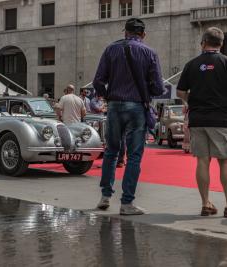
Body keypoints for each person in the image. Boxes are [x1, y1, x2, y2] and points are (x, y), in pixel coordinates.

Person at [93, 18, 165, 215]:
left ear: (125, 32)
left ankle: (105, 196)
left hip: (115, 105)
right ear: (143, 34)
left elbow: (98, 81)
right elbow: (158, 87)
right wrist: (146, 90)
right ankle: (127, 203)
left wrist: (108, 95)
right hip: (136, 107)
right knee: (134, 155)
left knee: (111, 151)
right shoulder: (149, 53)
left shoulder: (110, 50)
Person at [177, 27, 227, 218]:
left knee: (202, 160)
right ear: (221, 44)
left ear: (203, 42)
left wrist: (190, 99)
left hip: (198, 119)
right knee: (225, 160)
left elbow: (181, 91)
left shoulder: (192, 64)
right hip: (222, 119)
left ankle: (206, 203)